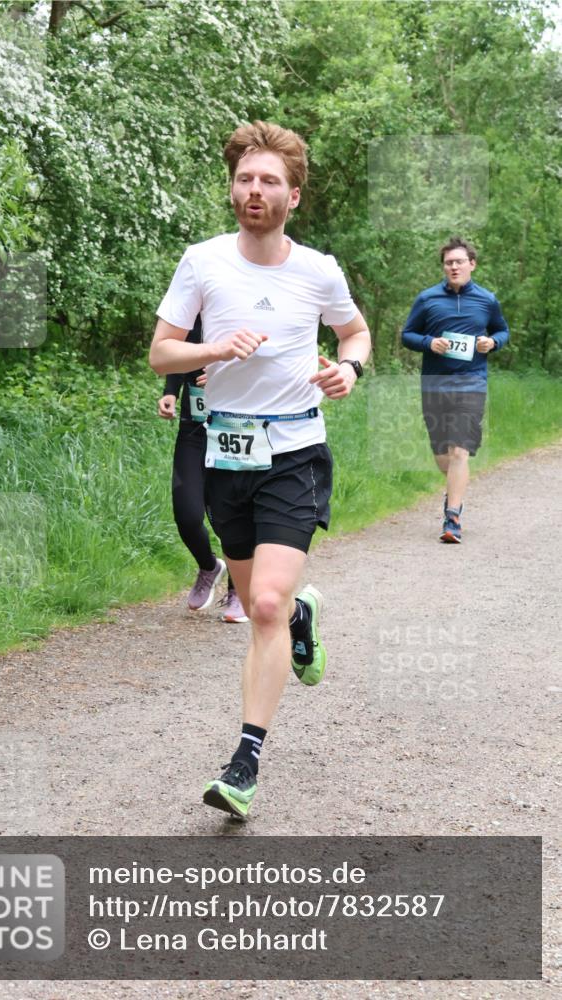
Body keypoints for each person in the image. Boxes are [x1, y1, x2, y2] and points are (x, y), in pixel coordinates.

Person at [149, 121, 370, 819]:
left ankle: (243, 761)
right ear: (232, 188)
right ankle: (302, 617)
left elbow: (353, 330)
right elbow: (161, 353)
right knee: (268, 612)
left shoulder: (318, 269)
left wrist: (350, 369)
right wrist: (212, 350)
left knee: (263, 606)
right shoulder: (203, 261)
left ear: (293, 196)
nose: (254, 190)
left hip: (295, 452)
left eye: (269, 180)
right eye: (245, 179)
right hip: (225, 456)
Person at [401, 237, 510, 543]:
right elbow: (407, 334)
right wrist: (428, 343)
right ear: (443, 267)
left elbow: (502, 330)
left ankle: (453, 518)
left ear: (471, 264)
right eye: (448, 262)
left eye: (459, 261)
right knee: (442, 454)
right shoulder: (427, 299)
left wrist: (493, 342)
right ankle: (454, 492)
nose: (453, 267)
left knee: (459, 450)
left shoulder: (487, 300)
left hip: (471, 382)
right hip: (434, 384)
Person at [157, 317, 248, 623]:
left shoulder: (245, 302)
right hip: (193, 429)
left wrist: (226, 374)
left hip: (236, 429)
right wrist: (170, 391)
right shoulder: (192, 307)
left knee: (231, 514)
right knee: (186, 513)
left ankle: (240, 590)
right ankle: (209, 566)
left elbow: (270, 363)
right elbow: (175, 351)